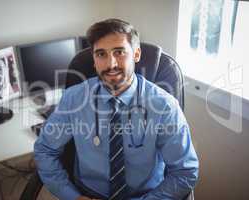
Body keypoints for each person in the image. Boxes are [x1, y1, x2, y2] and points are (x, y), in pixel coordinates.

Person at [34, 18, 199, 200]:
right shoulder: (74, 99)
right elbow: (45, 151)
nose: (111, 64)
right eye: (101, 54)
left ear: (136, 54)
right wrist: (72, 196)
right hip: (88, 194)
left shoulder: (164, 106)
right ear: (94, 60)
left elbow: (185, 171)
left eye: (119, 52)